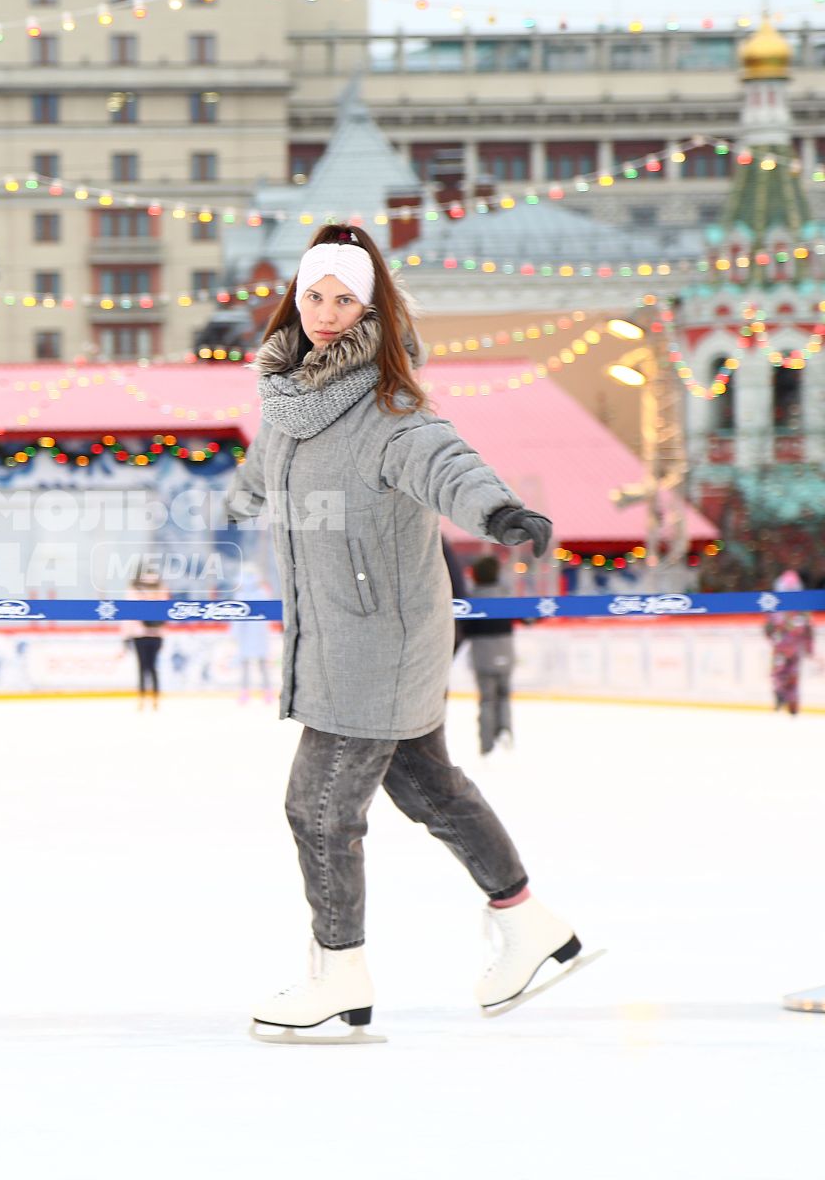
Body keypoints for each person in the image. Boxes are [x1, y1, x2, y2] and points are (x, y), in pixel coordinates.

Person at [228, 224, 590, 1038]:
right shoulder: (287, 398)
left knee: (318, 809)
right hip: (336, 632)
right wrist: (235, 501)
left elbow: (445, 461)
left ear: (372, 309)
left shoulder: (388, 408)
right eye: (314, 295)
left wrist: (499, 512)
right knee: (427, 787)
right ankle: (531, 921)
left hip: (376, 640)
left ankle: (340, 975)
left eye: (344, 299)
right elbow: (264, 469)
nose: (325, 312)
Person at [461, 554, 518, 756]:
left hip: (483, 654)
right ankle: (504, 730)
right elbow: (528, 616)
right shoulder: (505, 595)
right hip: (506, 651)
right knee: (504, 696)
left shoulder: (472, 600)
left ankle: (486, 744)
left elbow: (465, 627)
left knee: (486, 700)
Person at [764, 569, 815, 716]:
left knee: (790, 675)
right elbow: (768, 627)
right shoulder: (776, 609)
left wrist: (809, 647)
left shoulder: (802, 610)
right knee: (779, 673)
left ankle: (791, 702)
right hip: (782, 647)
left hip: (790, 648)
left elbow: (808, 630)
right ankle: (780, 695)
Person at [122, 567, 168, 711]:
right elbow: (165, 611)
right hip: (152, 633)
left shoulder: (134, 589)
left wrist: (125, 636)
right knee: (151, 667)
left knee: (144, 667)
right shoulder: (160, 587)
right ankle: (153, 699)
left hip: (142, 633)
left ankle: (144, 699)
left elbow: (128, 613)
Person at [229, 568, 274, 705]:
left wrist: (234, 634)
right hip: (251, 635)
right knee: (250, 665)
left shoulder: (255, 594)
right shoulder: (255, 594)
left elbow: (237, 619)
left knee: (257, 665)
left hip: (256, 635)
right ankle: (252, 693)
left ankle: (263, 693)